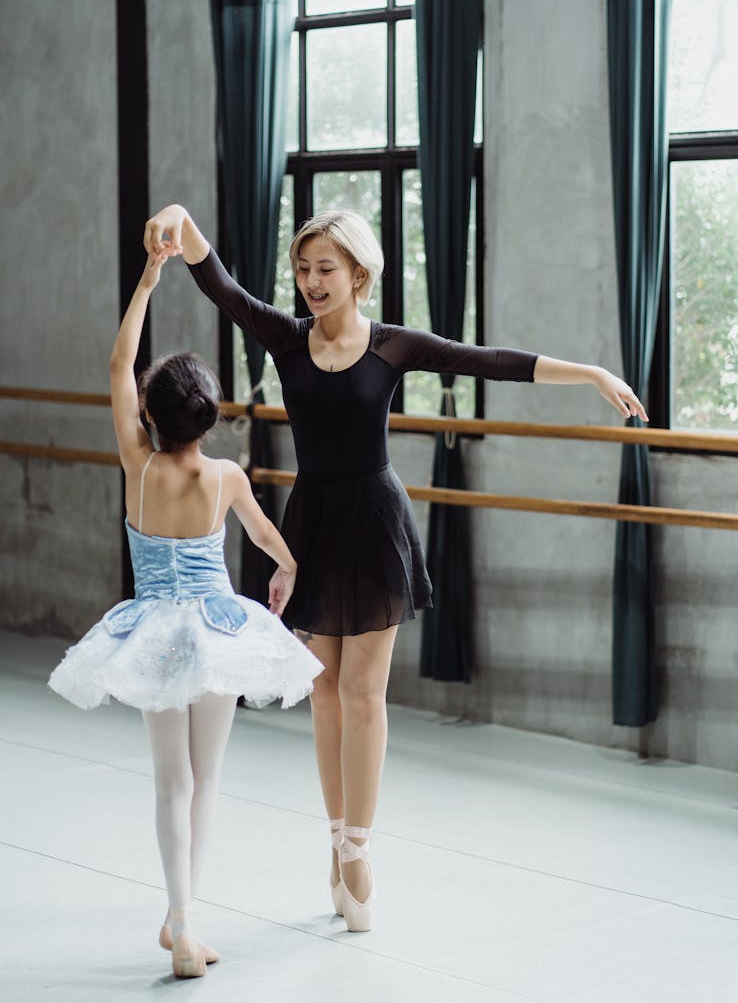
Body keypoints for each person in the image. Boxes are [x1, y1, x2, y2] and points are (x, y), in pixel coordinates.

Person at [143, 204, 648, 933]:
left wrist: (591, 372)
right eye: (303, 269)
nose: (312, 282)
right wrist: (183, 226)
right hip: (313, 524)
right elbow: (219, 284)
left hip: (376, 525)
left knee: (362, 691)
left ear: (360, 274)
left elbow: (488, 360)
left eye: (326, 269)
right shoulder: (287, 338)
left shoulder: (392, 346)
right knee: (321, 696)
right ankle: (335, 835)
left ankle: (357, 847)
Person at [48, 250, 323, 978]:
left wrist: (147, 278)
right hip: (217, 635)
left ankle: (181, 917)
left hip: (155, 634)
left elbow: (116, 364)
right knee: (209, 778)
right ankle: (184, 921)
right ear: (210, 416)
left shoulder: (138, 467)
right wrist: (288, 569)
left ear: (149, 412)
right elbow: (266, 537)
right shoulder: (225, 474)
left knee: (171, 781)